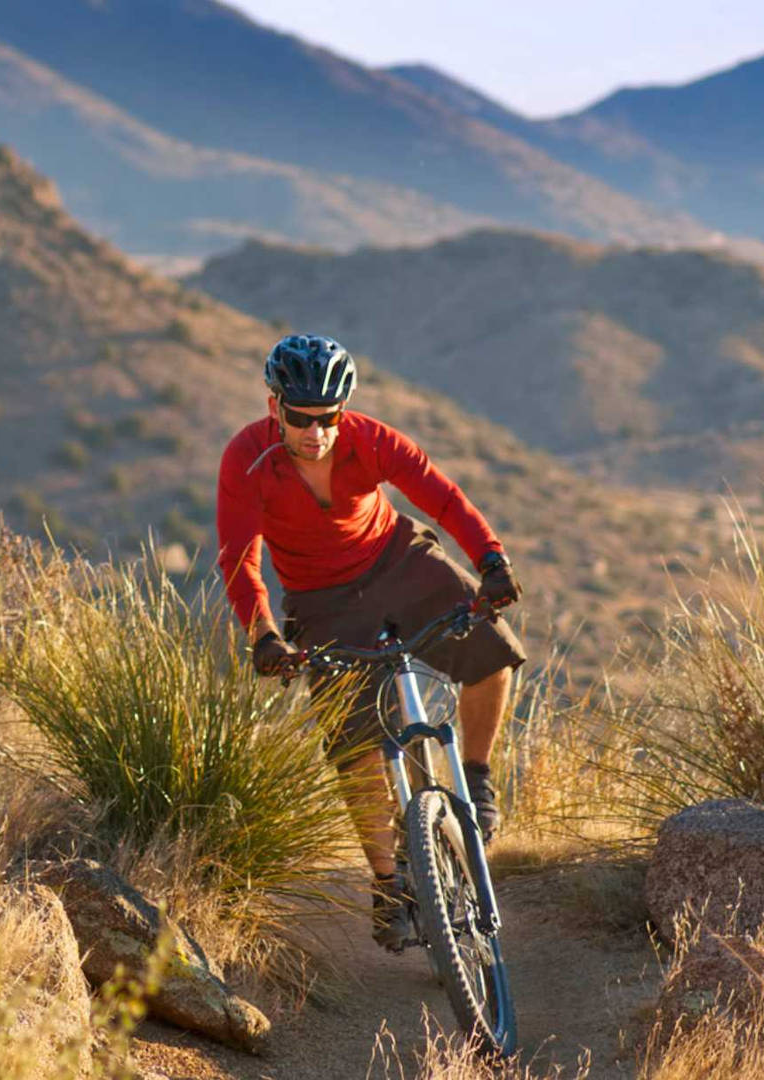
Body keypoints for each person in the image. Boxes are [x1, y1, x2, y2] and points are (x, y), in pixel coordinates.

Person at [215, 333, 524, 951]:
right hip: (321, 600)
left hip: (396, 561)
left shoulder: (369, 439)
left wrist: (490, 558)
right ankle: (388, 885)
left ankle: (476, 777)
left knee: (492, 651)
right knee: (354, 744)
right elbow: (240, 559)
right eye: (300, 418)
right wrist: (265, 634)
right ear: (273, 404)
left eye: (327, 417)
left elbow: (441, 496)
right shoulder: (246, 458)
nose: (315, 432)